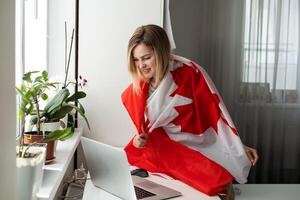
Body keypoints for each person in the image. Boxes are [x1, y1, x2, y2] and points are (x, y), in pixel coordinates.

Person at [121, 24, 258, 200]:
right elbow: (146, 130)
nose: (141, 66)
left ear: (161, 53)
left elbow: (214, 115)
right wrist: (138, 140)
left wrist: (236, 146)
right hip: (166, 152)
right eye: (136, 59)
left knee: (217, 189)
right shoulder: (138, 87)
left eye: (146, 58)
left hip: (197, 148)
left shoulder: (189, 74)